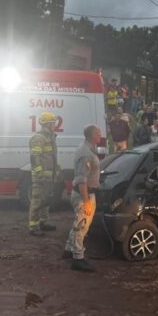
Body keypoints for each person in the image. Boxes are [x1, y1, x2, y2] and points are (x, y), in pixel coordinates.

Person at [64, 124, 102, 272]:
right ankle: (78, 259)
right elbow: (82, 180)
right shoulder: (86, 152)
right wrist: (86, 202)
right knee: (82, 226)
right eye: (98, 133)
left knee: (78, 223)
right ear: (92, 135)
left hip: (84, 193)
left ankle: (68, 249)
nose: (100, 136)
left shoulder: (88, 148)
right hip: (83, 195)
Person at [28, 112, 60, 235]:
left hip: (49, 176)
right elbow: (35, 157)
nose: (55, 125)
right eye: (53, 123)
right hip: (41, 177)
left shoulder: (50, 137)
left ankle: (43, 222)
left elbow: (52, 157)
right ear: (47, 124)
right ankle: (33, 227)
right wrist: (39, 174)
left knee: (45, 200)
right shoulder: (39, 138)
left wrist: (56, 172)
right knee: (37, 201)